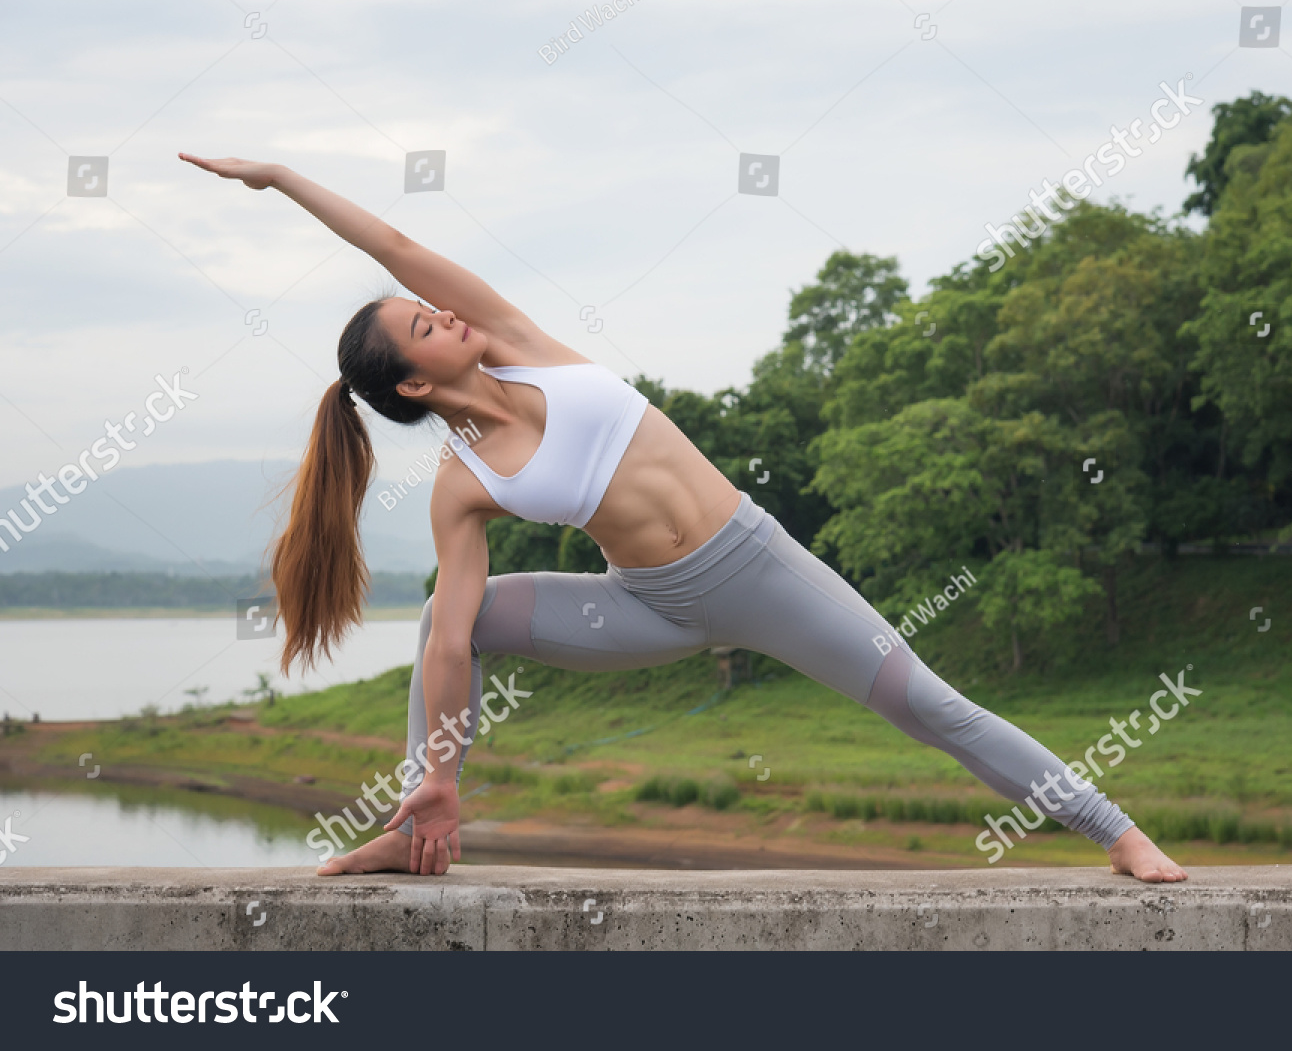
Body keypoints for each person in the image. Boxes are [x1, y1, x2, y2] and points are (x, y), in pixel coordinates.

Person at [180, 153, 1188, 883]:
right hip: (648, 608)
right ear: (408, 381)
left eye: (427, 304)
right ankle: (420, 818)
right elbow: (453, 637)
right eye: (419, 325)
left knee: (928, 705)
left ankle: (1119, 834)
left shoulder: (521, 343)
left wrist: (281, 180)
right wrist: (441, 768)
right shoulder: (463, 482)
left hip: (759, 570)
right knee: (453, 612)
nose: (438, 311)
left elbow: (393, 240)